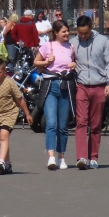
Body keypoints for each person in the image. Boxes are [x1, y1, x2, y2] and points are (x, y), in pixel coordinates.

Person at [70, 15, 109, 170]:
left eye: (85, 33)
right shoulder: (73, 42)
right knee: (81, 122)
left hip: (100, 85)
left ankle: (93, 157)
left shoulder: (102, 41)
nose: (83, 36)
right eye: (80, 33)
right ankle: (81, 157)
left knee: (95, 124)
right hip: (82, 86)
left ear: (91, 28)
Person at [0, 57, 34, 175]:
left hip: (10, 112)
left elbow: (20, 100)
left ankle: (1, 161)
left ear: (4, 72)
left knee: (3, 136)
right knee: (2, 137)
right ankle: (7, 163)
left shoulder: (10, 83)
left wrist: (27, 114)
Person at [35, 20, 76, 170]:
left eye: (67, 31)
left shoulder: (71, 47)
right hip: (51, 86)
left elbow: (75, 64)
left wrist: (73, 65)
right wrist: (46, 61)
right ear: (56, 33)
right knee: (51, 123)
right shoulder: (48, 46)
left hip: (65, 87)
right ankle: (51, 157)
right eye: (63, 31)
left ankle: (61, 157)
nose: (67, 34)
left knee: (63, 126)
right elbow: (36, 62)